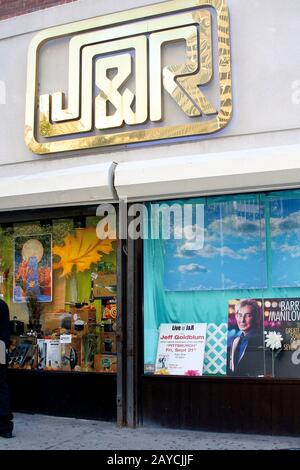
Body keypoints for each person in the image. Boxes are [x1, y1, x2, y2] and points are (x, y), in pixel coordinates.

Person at [228, 299, 264, 377]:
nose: (242, 320)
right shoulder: (236, 341)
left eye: (248, 315)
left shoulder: (262, 340)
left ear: (256, 317)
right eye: (240, 315)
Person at [0, 299, 14, 438]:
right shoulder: (3, 304)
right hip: (0, 347)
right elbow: (6, 330)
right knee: (1, 385)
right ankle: (5, 427)